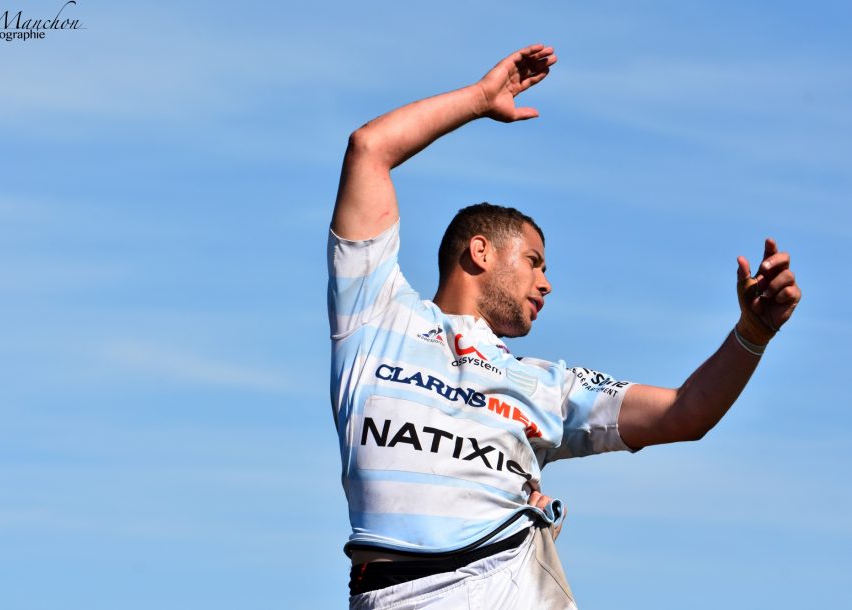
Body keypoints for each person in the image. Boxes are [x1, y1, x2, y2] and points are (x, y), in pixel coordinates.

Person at [327, 44, 801, 609]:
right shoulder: (376, 314)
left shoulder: (548, 386)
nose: (547, 283)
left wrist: (752, 333)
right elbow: (369, 149)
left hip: (509, 585)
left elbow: (687, 411)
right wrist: (479, 99)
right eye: (534, 262)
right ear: (480, 252)